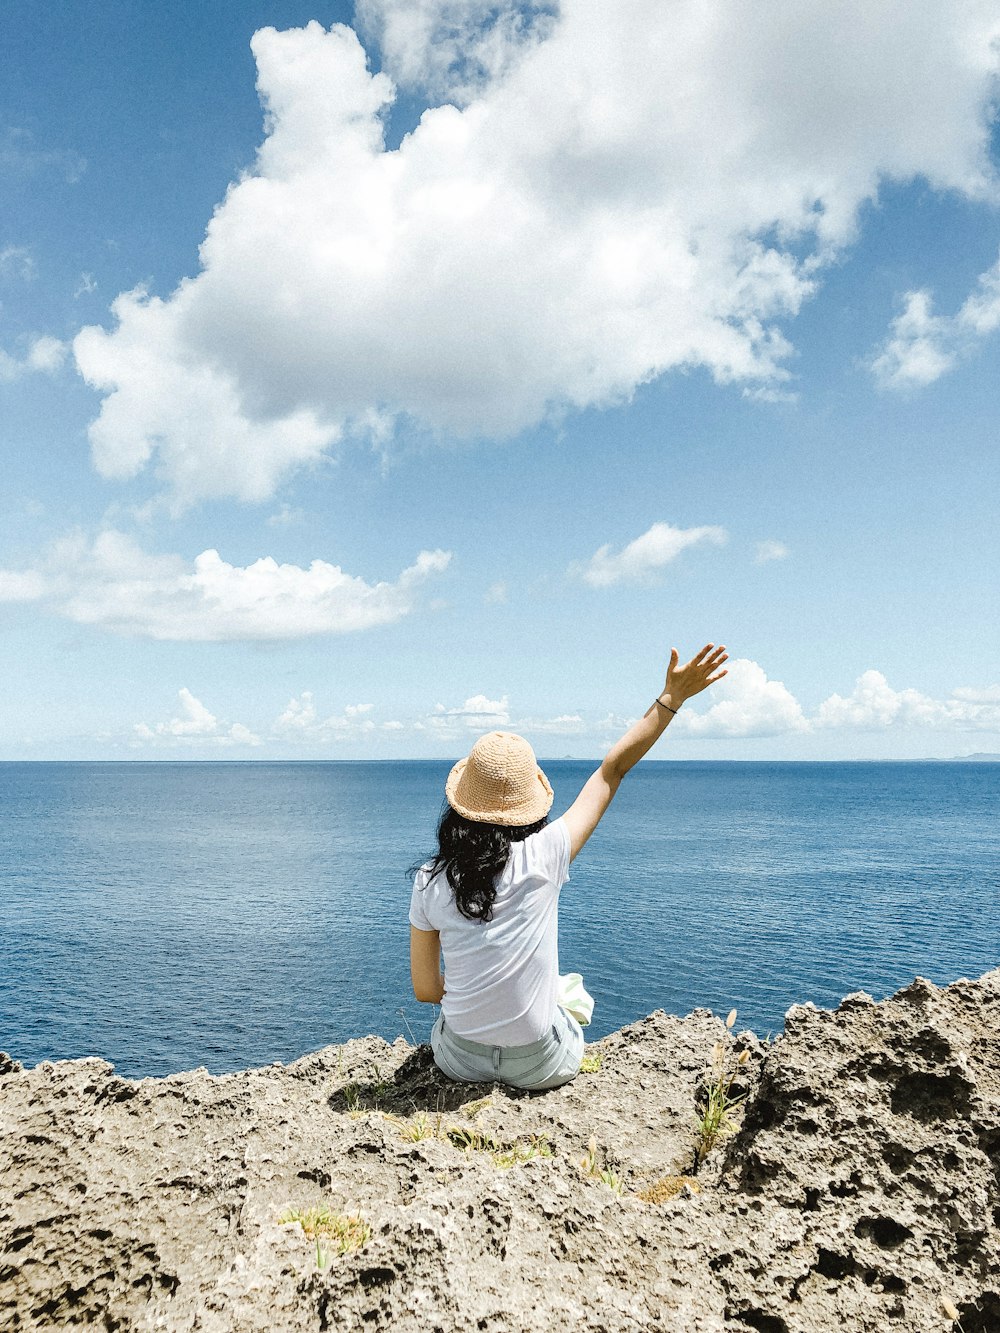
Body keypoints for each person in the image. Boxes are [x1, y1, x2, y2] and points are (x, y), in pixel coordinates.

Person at [409, 642, 728, 1091]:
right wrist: (670, 699)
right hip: (538, 1066)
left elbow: (425, 991)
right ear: (530, 804)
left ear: (459, 805)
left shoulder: (430, 880)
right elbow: (610, 771)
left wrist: (473, 997)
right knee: (565, 993)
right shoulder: (548, 852)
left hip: (459, 1062)